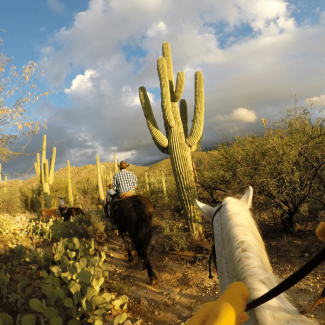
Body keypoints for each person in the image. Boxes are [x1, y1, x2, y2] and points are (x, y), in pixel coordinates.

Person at [110, 161, 138, 227]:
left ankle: (114, 223)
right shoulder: (132, 174)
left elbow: (114, 188)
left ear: (120, 168)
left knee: (112, 205)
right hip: (132, 193)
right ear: (126, 167)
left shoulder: (116, 175)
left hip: (122, 194)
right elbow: (136, 187)